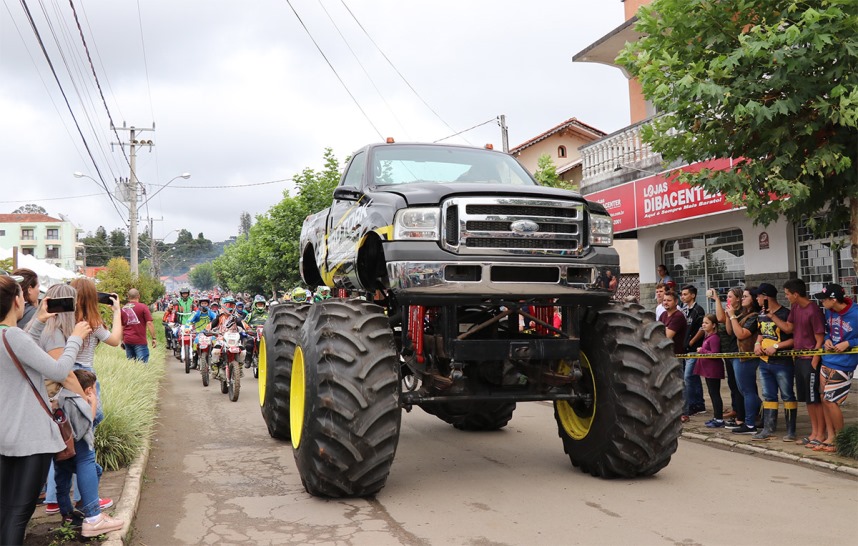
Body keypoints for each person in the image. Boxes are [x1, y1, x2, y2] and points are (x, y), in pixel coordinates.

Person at [0, 275, 91, 545]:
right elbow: (60, 371)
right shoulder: (14, 336)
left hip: (5, 435)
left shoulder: (9, 336)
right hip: (30, 438)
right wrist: (74, 338)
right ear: (17, 300)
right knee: (19, 513)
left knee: (5, 509)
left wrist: (38, 320)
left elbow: (19, 348)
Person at [54, 369, 124, 537]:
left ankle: (67, 514)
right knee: (92, 468)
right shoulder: (77, 401)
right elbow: (85, 426)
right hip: (77, 448)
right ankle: (90, 512)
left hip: (60, 450)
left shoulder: (60, 397)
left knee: (61, 480)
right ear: (89, 390)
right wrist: (93, 404)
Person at [770, 279, 825, 445]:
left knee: (815, 399)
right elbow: (788, 328)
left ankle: (820, 434)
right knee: (807, 399)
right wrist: (772, 316)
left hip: (810, 360)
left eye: (787, 294)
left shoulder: (813, 310)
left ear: (795, 293)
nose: (786, 297)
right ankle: (813, 432)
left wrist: (815, 360)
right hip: (799, 359)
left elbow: (820, 338)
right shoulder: (795, 308)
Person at [69, 278, 122, 427]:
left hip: (65, 371)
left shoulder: (63, 319)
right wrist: (117, 312)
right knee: (92, 417)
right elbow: (115, 340)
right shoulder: (93, 323)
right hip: (84, 373)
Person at [816, 283, 858, 453]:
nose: (821, 303)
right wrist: (826, 339)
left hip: (845, 363)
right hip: (828, 360)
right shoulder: (829, 311)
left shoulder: (855, 313)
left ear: (833, 299)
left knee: (831, 400)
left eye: (824, 299)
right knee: (824, 398)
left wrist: (850, 343)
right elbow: (828, 330)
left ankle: (841, 440)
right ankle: (831, 436)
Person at [752, 282, 795, 441]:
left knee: (787, 395)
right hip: (764, 361)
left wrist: (776, 346)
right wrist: (757, 344)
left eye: (758, 296)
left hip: (782, 362)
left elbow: (792, 338)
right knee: (768, 395)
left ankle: (791, 431)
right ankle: (768, 428)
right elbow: (761, 333)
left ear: (765, 297)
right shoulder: (761, 314)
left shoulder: (785, 313)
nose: (756, 298)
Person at [726, 287, 762, 434]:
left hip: (746, 356)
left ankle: (750, 423)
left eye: (746, 296)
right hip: (736, 355)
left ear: (753, 299)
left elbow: (741, 334)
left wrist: (733, 317)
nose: (742, 299)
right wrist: (730, 316)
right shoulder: (742, 314)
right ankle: (762, 413)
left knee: (747, 390)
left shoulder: (754, 316)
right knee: (742, 389)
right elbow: (730, 332)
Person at [709, 287, 745, 427]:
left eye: (730, 296)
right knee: (732, 384)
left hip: (737, 351)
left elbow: (720, 319)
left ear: (738, 298)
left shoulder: (739, 312)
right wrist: (718, 300)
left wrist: (717, 300)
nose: (728, 299)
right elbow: (722, 320)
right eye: (727, 296)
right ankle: (736, 410)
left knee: (740, 386)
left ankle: (744, 414)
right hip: (728, 351)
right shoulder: (730, 311)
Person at [659, 291, 688, 421]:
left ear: (676, 302)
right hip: (665, 355)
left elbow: (666, 336)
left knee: (679, 384)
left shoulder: (678, 316)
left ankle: (683, 412)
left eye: (669, 300)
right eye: (664, 300)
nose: (666, 302)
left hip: (676, 355)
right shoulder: (664, 315)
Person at [680, 284, 706, 417]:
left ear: (693, 295)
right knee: (693, 378)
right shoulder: (685, 310)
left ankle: (691, 405)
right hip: (685, 350)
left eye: (685, 294)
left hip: (694, 349)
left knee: (688, 377)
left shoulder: (698, 310)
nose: (682, 297)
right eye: (682, 294)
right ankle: (699, 404)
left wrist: (692, 341)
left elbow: (702, 329)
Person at [695, 314, 726, 427]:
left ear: (713, 325)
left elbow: (715, 354)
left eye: (706, 323)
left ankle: (719, 419)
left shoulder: (714, 338)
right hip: (707, 370)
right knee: (712, 393)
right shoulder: (707, 337)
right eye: (703, 323)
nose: (704, 325)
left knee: (715, 393)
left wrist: (702, 350)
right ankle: (716, 416)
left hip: (713, 370)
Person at [121, 288, 156, 363]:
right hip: (140, 341)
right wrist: (154, 338)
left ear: (128, 296)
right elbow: (149, 323)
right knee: (142, 366)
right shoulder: (143, 307)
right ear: (139, 296)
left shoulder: (123, 308)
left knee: (131, 365)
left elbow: (122, 326)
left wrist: (122, 340)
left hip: (127, 340)